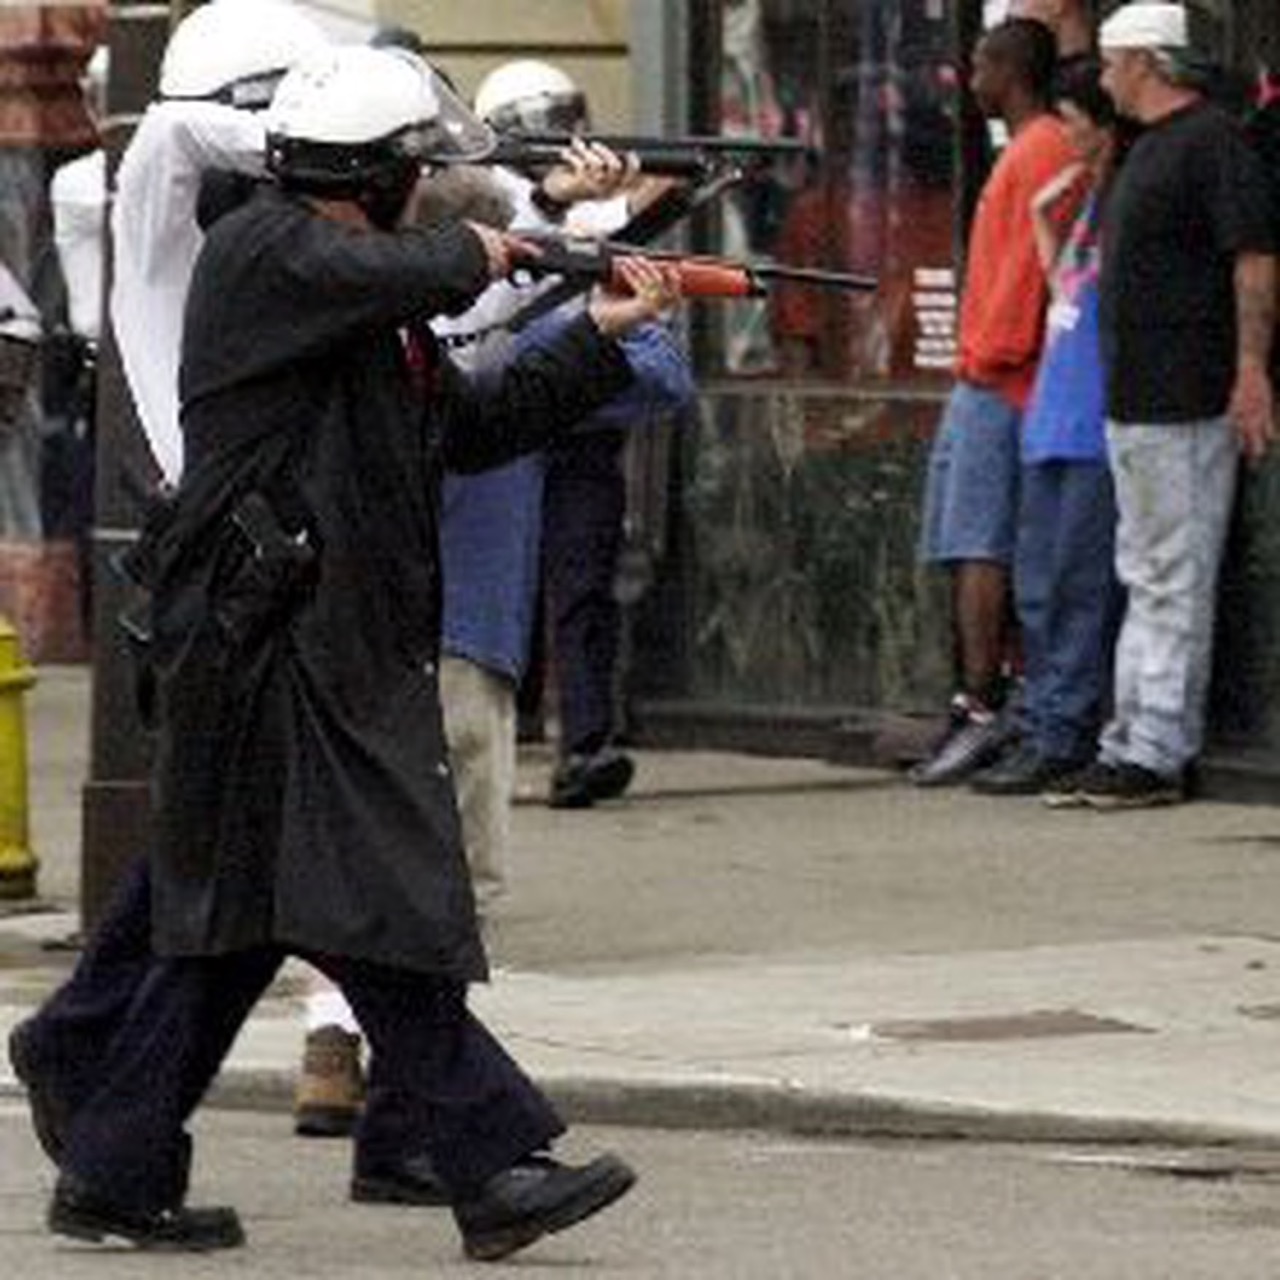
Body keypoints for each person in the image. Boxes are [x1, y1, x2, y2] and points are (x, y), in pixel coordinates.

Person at [31, 43, 681, 1258]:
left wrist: (595, 325)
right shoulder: (269, 250)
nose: (431, 192)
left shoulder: (370, 304)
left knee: (234, 927)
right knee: (374, 908)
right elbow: (399, 266)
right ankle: (494, 1161)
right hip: (263, 643)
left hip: (310, 641)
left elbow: (474, 425)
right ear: (372, 180)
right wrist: (495, 241)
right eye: (416, 175)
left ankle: (110, 1160)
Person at [1056, 1, 1277, 809]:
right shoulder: (1149, 148)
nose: (1104, 78)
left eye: (1113, 64)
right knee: (1148, 567)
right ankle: (1133, 736)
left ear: (1144, 63)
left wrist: (1250, 369)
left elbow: (1252, 260)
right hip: (1141, 394)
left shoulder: (1210, 142)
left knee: (1169, 574)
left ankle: (1154, 746)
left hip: (1185, 391)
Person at [909, 17, 1076, 786]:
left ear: (1009, 69)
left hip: (1001, 378)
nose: (969, 78)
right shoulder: (1027, 150)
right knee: (966, 538)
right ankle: (978, 696)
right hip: (988, 375)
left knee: (979, 541)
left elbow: (1024, 282)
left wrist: (989, 356)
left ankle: (982, 699)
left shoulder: (1039, 148)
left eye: (979, 63)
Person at [971, 59, 1128, 796]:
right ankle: (1043, 720)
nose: (1065, 139)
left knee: (1077, 585)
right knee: (1038, 587)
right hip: (1051, 416)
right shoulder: (1086, 209)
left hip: (1093, 424)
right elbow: (1063, 286)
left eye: (1076, 125)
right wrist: (1044, 214)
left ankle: (1066, 727)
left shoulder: (1120, 204)